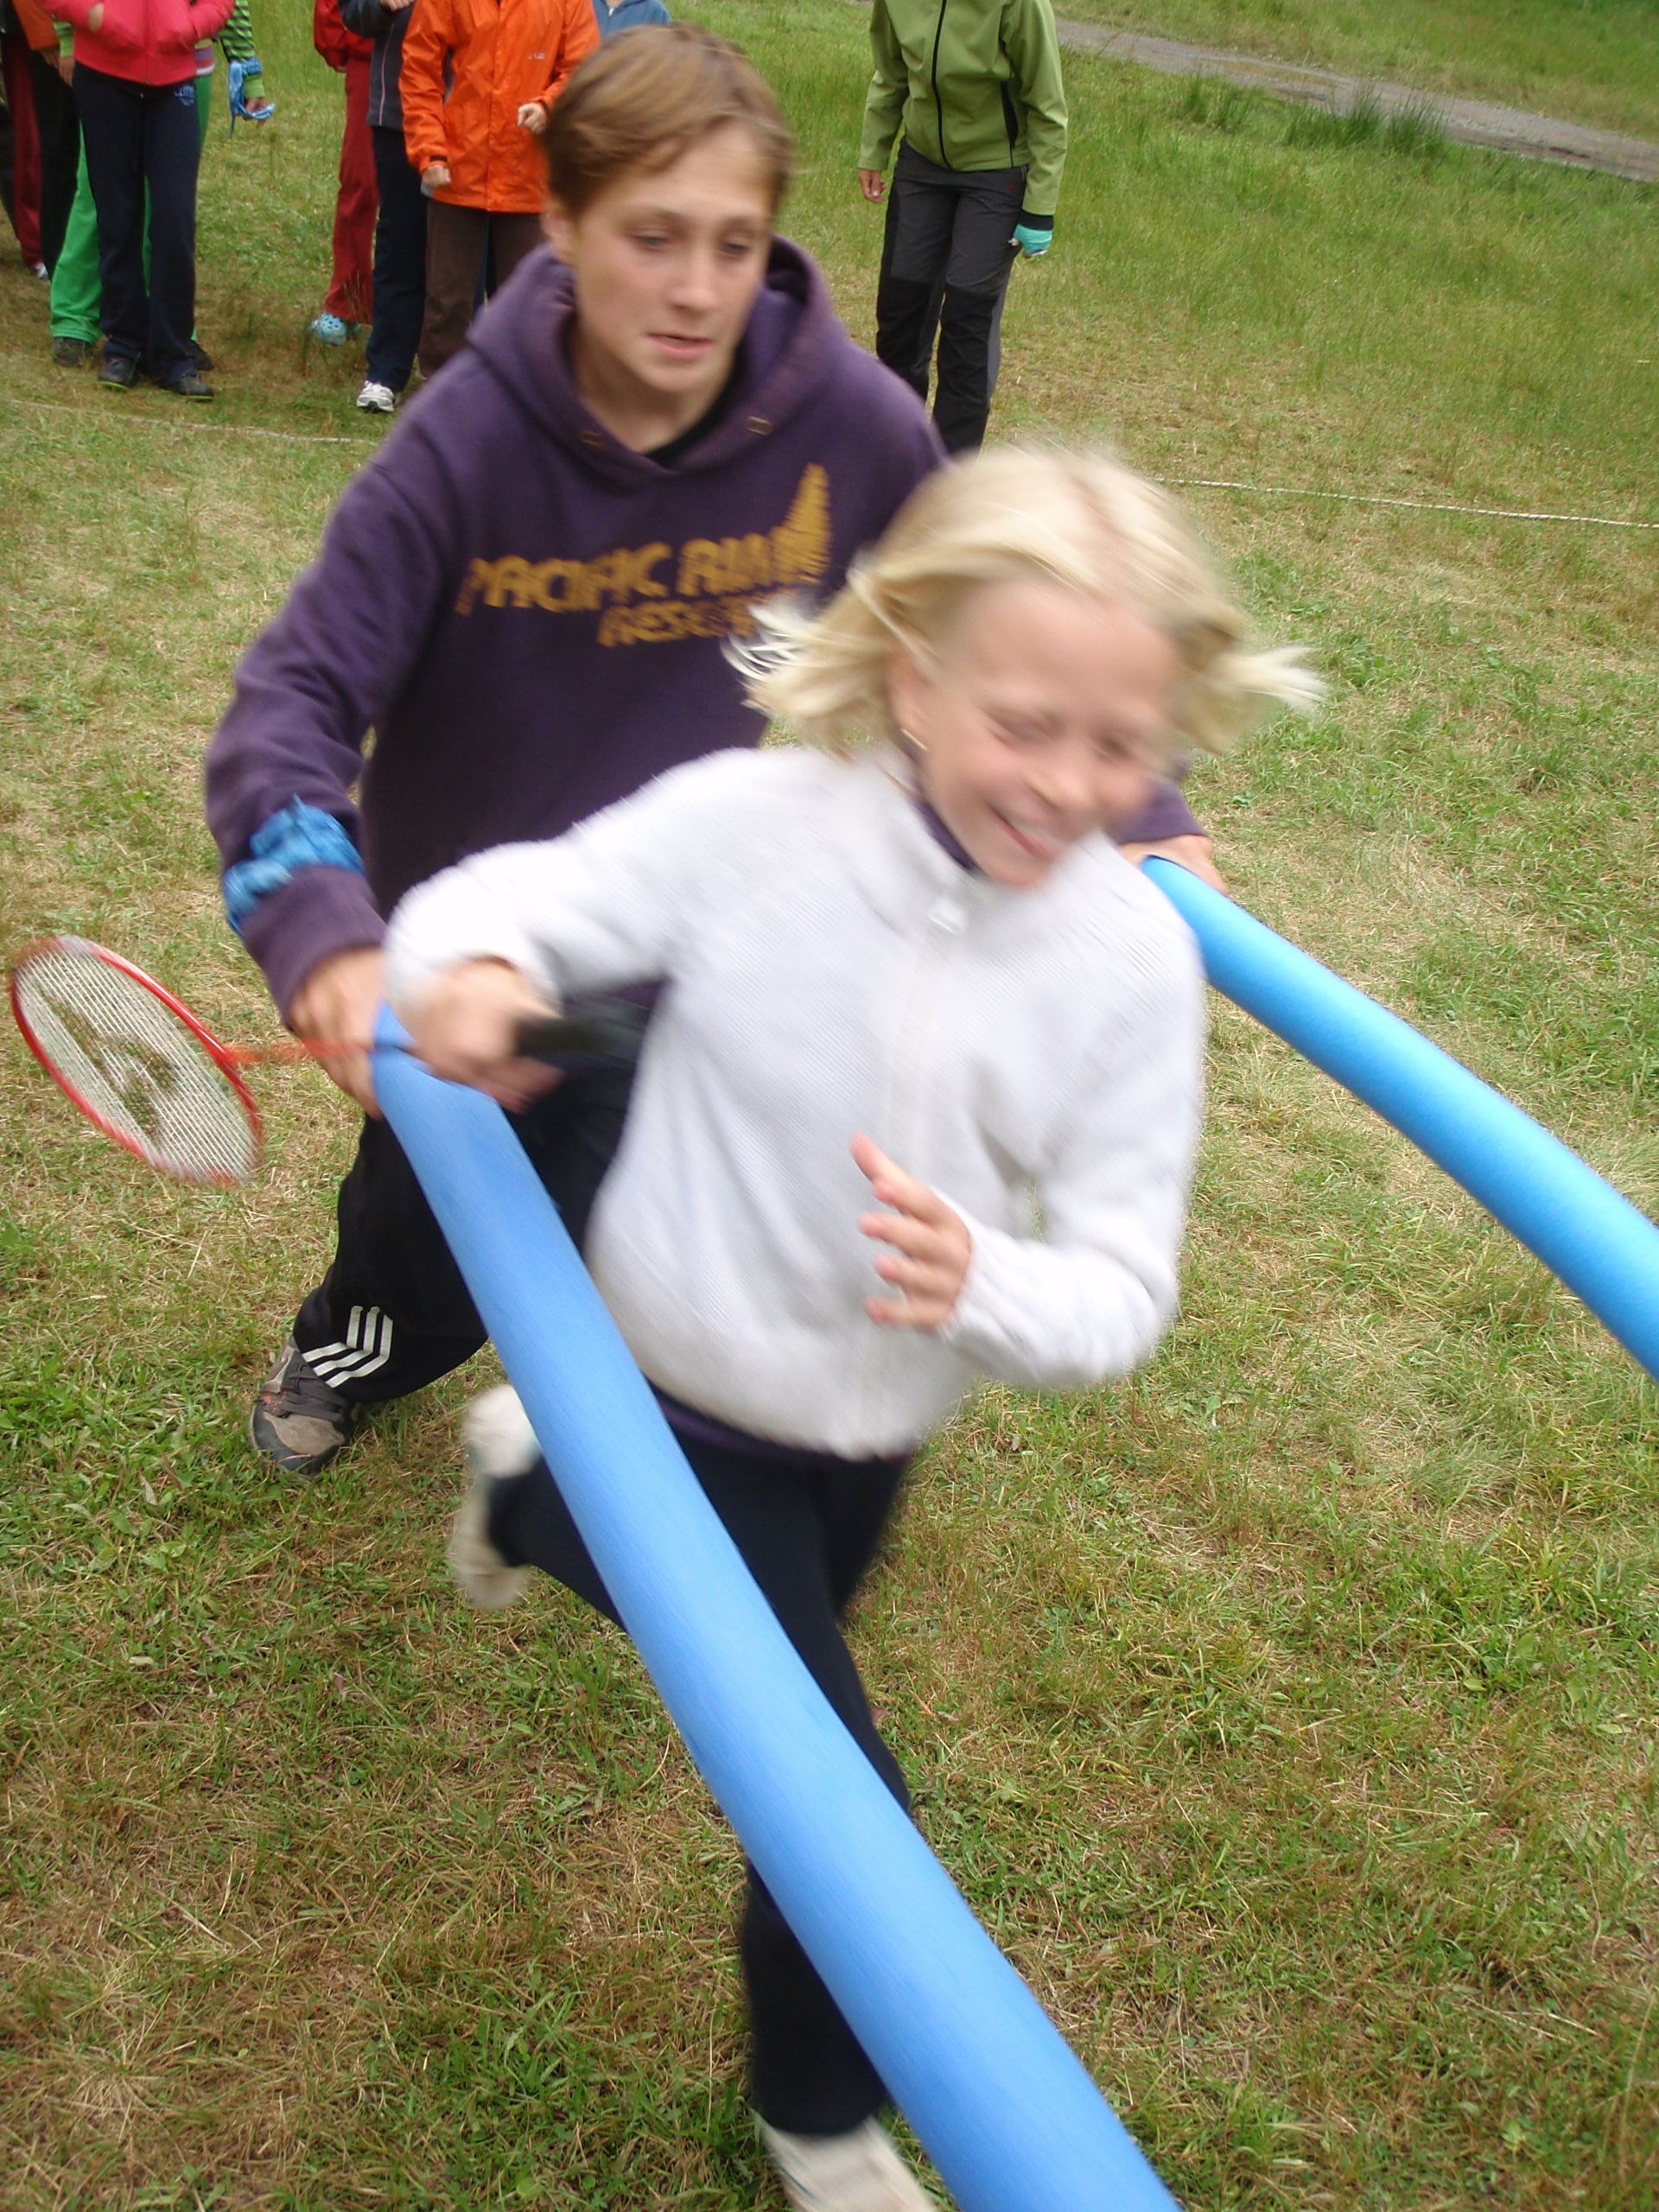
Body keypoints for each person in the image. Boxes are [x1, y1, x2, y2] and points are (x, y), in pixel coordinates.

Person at [382, 447, 1319, 2211]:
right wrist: (480, 972)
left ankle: (527, 1489)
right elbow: (494, 900)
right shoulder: (753, 828)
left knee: (790, 1694)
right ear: (912, 676)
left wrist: (989, 1285)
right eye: (1023, 723)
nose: (1068, 783)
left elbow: (1124, 1284)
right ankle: (823, 2117)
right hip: (671, 1397)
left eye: (1120, 744)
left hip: (874, 1435)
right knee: (835, 1813)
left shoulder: (1130, 963)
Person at [204, 27, 1211, 1483]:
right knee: (433, 1223)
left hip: (697, 928)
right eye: (652, 238)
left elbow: (994, 609)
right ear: (560, 221)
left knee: (694, 1194)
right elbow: (288, 705)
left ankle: (684, 1432)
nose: (695, 289)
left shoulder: (847, 424)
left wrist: (1141, 806)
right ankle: (356, 1344)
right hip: (493, 942)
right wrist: (331, 942)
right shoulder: (462, 447)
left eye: (734, 244)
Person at [858, 0, 1066, 454]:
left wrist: (1039, 207)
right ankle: (893, 455)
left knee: (967, 325)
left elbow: (1048, 107)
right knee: (900, 314)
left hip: (996, 172)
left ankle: (951, 471)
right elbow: (891, 72)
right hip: (922, 164)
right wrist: (875, 148)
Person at [46, 0, 265, 373]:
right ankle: (75, 317)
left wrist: (247, 68)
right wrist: (69, 38)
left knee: (172, 206)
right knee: (100, 197)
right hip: (108, 65)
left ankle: (173, 333)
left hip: (186, 66)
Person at [398, 0, 598, 378]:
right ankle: (443, 394)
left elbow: (584, 67)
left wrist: (549, 107)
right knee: (447, 302)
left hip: (529, 174)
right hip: (457, 168)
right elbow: (419, 70)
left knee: (530, 304)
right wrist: (430, 150)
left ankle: (522, 395)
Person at [340, 0, 423, 412]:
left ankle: (457, 370)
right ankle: (386, 372)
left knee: (467, 253)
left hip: (478, 112)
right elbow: (352, 13)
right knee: (400, 240)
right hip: (399, 113)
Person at [307, 0, 375, 346]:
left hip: (442, 54)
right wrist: (334, 40)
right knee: (361, 181)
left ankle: (423, 308)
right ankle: (347, 301)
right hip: (372, 54)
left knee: (433, 189)